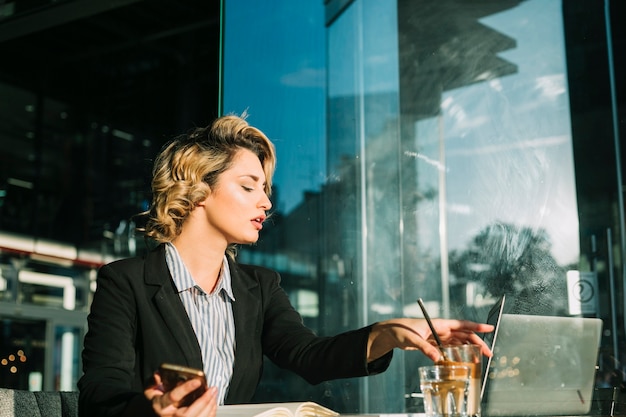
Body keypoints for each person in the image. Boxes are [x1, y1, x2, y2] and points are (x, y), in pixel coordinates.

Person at [78, 114, 494, 417]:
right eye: (248, 186)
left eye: (266, 188)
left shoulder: (259, 286)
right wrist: (154, 411)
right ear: (198, 189)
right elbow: (100, 395)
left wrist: (387, 334)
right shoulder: (126, 281)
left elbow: (309, 355)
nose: (266, 202)